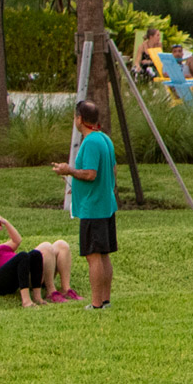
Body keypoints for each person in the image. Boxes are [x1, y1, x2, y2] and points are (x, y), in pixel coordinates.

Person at [51, 99, 117, 309]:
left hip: (93, 209)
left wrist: (68, 170)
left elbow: (90, 173)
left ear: (80, 119)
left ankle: (96, 303)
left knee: (93, 256)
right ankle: (105, 299)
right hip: (105, 204)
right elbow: (111, 171)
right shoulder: (105, 139)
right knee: (104, 254)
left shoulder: (90, 142)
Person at [0, 211, 79, 300]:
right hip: (25, 275)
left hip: (39, 269)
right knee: (46, 247)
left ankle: (66, 289)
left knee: (62, 245)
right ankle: (51, 291)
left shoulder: (0, 248)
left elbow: (17, 240)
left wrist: (5, 222)